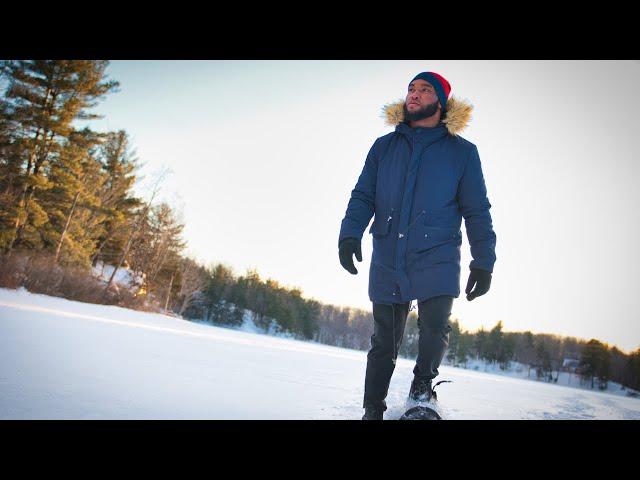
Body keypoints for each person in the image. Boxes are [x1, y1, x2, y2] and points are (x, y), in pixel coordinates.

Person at [338, 71, 497, 420]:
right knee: (383, 341)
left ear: (441, 102)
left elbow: (477, 210)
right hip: (389, 252)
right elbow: (363, 195)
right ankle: (372, 409)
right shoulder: (384, 146)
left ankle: (422, 395)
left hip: (437, 253)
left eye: (425, 90)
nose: (414, 94)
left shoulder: (463, 153)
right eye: (411, 88)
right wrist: (350, 233)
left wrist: (483, 260)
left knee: (435, 327)